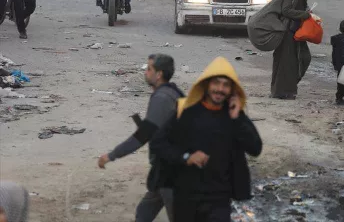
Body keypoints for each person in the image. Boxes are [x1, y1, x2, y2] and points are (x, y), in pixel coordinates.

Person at [150, 56, 262, 222]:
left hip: (219, 200)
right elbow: (157, 143)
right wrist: (186, 157)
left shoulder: (235, 116)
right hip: (186, 197)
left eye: (225, 85)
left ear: (232, 90)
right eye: (216, 83)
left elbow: (255, 149)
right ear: (207, 84)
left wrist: (237, 118)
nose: (220, 89)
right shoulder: (187, 112)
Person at [98, 54, 184, 222]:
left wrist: (110, 156)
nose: (145, 72)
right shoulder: (172, 91)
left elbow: (141, 137)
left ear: (158, 74)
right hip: (165, 168)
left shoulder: (162, 98)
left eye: (149, 69)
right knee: (144, 212)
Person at [271, 0, 312, 99]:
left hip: (296, 33)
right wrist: (304, 15)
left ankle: (286, 90)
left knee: (299, 60)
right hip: (288, 33)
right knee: (286, 63)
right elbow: (286, 10)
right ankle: (282, 92)